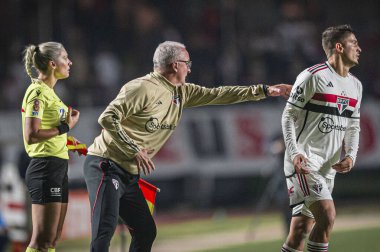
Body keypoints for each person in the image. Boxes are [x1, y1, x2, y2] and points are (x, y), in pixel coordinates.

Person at [83, 40, 291, 252]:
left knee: (145, 231)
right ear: (175, 65)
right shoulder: (141, 88)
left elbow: (220, 94)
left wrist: (264, 90)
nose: (189, 68)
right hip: (105, 165)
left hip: (128, 173)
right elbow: (107, 117)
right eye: (187, 63)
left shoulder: (181, 92)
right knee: (104, 231)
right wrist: (133, 149)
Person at [281, 24, 362, 252]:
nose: (359, 48)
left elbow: (353, 125)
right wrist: (295, 152)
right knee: (327, 215)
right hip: (304, 162)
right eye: (354, 43)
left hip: (328, 167)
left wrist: (352, 155)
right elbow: (288, 116)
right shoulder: (312, 76)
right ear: (338, 47)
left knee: (300, 232)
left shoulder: (356, 85)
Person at [21, 42, 80, 252]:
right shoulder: (37, 93)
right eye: (66, 58)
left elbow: (50, 131)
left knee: (52, 240)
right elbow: (31, 135)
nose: (70, 62)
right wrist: (65, 127)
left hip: (57, 166)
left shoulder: (51, 93)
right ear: (53, 64)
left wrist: (70, 143)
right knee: (41, 242)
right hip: (45, 167)